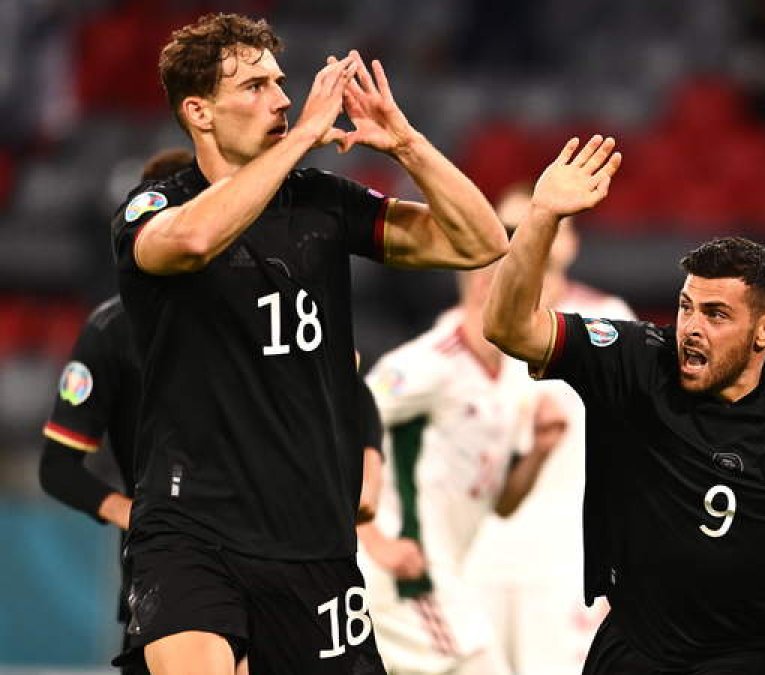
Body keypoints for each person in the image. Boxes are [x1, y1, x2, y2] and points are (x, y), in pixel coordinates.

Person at [110, 13, 507, 675]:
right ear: (199, 112)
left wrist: (406, 143)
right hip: (193, 530)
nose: (284, 98)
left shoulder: (325, 205)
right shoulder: (154, 205)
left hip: (314, 541)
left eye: (281, 81)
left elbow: (481, 242)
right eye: (256, 86)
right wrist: (295, 147)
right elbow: (190, 242)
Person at [482, 135, 765, 674]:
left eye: (716, 314)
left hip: (750, 656)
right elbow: (507, 327)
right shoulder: (636, 362)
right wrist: (542, 215)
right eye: (687, 307)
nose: (691, 329)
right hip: (637, 643)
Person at [462, 183, 636, 675]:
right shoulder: (469, 332)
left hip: (564, 559)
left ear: (571, 241)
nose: (526, 237)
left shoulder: (607, 321)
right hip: (479, 555)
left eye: (544, 224)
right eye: (511, 229)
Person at [358, 261, 564, 675]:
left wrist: (540, 450)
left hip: (446, 572)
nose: (552, 298)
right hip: (407, 578)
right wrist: (372, 538)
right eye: (538, 284)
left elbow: (502, 504)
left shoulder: (513, 377)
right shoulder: (427, 363)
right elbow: (341, 424)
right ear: (489, 285)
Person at [39, 147, 194, 675]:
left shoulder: (265, 316)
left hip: (269, 556)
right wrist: (137, 514)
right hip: (166, 572)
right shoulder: (113, 330)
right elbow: (57, 468)